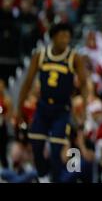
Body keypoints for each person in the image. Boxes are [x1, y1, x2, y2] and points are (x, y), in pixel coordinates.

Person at [16, 23, 87, 182]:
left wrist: (84, 107)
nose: (65, 39)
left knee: (57, 148)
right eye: (62, 35)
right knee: (36, 143)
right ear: (53, 37)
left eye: (68, 36)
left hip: (62, 109)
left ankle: (54, 178)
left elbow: (83, 83)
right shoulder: (40, 55)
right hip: (42, 107)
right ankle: (42, 175)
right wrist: (18, 107)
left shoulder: (74, 57)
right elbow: (27, 82)